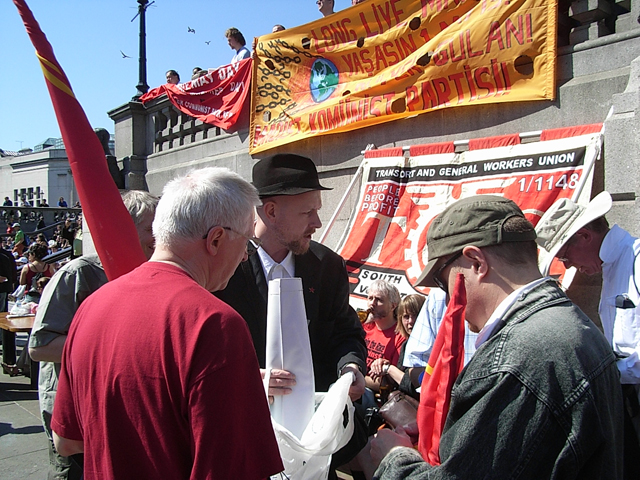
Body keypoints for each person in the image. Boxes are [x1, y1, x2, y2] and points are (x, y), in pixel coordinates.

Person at [50, 169, 283, 479]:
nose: (244, 257)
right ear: (216, 239)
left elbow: (65, 440)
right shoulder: (215, 324)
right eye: (246, 243)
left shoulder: (91, 306)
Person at [370, 195, 624, 479]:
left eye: (444, 282)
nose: (448, 302)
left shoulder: (516, 360)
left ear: (476, 263)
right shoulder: (575, 324)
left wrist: (394, 458)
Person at [215, 153, 368, 473]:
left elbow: (346, 331)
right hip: (244, 441)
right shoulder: (222, 270)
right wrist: (245, 380)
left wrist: (350, 366)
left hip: (315, 443)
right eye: (308, 212)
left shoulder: (328, 267)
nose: (318, 222)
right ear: (270, 211)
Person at [29, 190, 159, 480]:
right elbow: (40, 346)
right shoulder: (78, 274)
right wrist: (114, 347)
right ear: (124, 227)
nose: (158, 236)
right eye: (151, 227)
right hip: (74, 415)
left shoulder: (151, 273)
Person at [535, 191, 640, 478]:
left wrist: (604, 370)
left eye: (565, 256)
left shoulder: (637, 260)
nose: (567, 266)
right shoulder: (613, 266)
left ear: (584, 236)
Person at [369, 293, 425, 399]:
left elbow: (412, 387)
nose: (411, 321)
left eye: (416, 315)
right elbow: (396, 381)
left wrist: (389, 369)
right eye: (406, 317)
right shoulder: (406, 345)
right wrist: (383, 365)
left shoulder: (432, 347)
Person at [361, 280, 405, 401]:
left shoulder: (400, 336)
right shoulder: (364, 327)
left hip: (374, 399)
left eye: (379, 300)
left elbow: (387, 383)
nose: (372, 304)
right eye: (370, 298)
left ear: (393, 306)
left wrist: (356, 378)